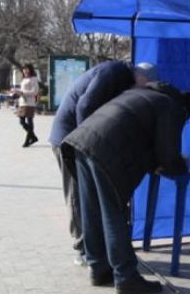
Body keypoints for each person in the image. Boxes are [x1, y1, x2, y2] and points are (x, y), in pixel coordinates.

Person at [62, 71, 190, 294]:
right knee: (113, 212)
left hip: (79, 142)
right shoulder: (169, 106)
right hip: (102, 151)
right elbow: (168, 155)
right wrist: (181, 165)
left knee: (92, 210)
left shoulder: (138, 94)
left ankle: (98, 268)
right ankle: (126, 277)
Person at [48, 60, 136, 264]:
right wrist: (86, 141)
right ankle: (82, 248)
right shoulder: (114, 71)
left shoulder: (119, 77)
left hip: (75, 137)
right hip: (69, 139)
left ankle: (94, 246)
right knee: (77, 194)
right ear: (139, 77)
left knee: (87, 195)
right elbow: (85, 105)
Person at [15, 63, 39, 147]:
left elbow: (35, 92)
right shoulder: (24, 79)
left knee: (29, 120)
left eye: (27, 69)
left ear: (30, 69)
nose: (25, 71)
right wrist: (17, 92)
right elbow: (22, 90)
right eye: (24, 69)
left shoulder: (33, 79)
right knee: (21, 121)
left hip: (29, 103)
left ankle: (28, 139)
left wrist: (23, 93)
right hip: (22, 102)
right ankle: (33, 136)